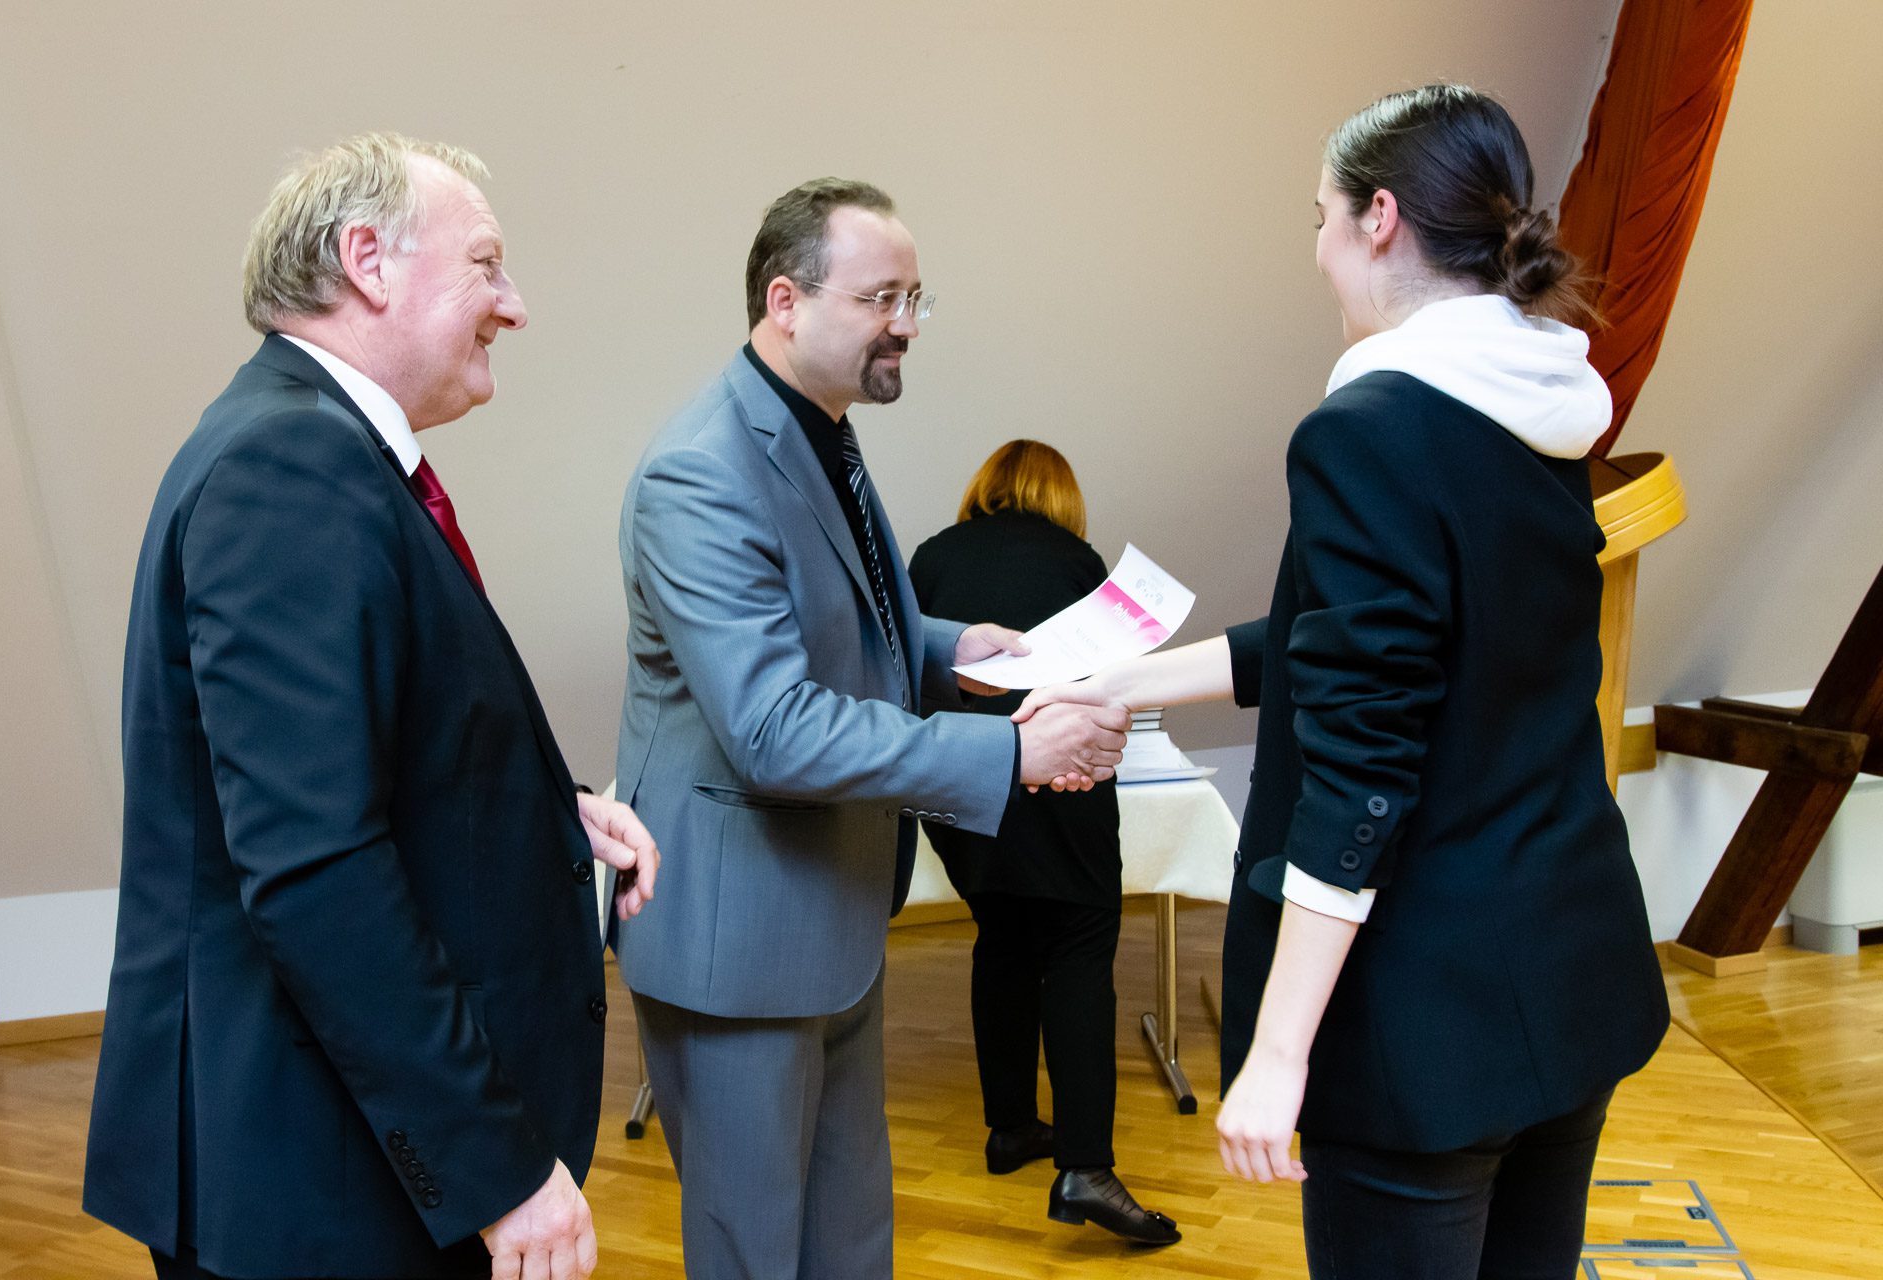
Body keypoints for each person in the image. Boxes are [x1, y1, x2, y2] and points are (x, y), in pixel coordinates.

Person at [1018, 85, 1670, 1278]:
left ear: (1379, 217)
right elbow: (1366, 637)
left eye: (1318, 217)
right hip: (1571, 969)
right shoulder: (1539, 401)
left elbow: (1365, 767)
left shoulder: (1369, 424)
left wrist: (1279, 1051)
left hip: (1425, 1018)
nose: (1317, 251)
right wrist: (1126, 681)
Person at [84, 133, 659, 1280]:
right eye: (487, 264)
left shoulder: (308, 445)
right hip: (320, 1178)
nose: (515, 305)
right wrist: (493, 1164)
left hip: (328, 1159)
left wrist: (551, 807)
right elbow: (314, 868)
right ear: (368, 262)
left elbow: (369, 748)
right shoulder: (291, 466)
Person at [613, 178, 1130, 1279]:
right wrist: (1011, 751)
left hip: (831, 913)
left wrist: (952, 645)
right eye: (882, 298)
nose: (907, 323)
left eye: (916, 297)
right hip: (740, 940)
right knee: (755, 1254)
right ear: (786, 301)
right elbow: (774, 727)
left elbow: (833, 613)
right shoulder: (701, 470)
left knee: (849, 1243)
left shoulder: (821, 433)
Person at [908, 440, 1177, 1245]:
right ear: (1061, 498)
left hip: (957, 775)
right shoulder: (1075, 559)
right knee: (1080, 944)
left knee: (1001, 936)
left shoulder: (932, 554)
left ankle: (1012, 1127)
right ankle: (1087, 1167)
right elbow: (1111, 676)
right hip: (1055, 774)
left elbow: (906, 664)